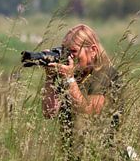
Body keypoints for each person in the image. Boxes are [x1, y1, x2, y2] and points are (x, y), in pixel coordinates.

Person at [42, 24, 122, 160]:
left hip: (101, 154)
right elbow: (49, 112)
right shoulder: (71, 75)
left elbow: (88, 111)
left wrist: (69, 79)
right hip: (71, 154)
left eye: (73, 51)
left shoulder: (105, 74)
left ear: (93, 51)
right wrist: (50, 77)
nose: (69, 57)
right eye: (65, 51)